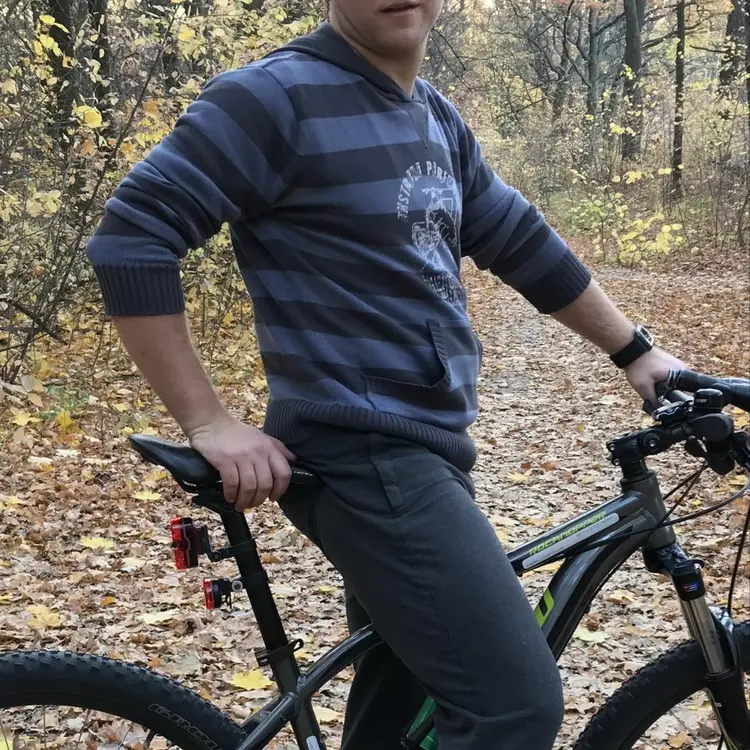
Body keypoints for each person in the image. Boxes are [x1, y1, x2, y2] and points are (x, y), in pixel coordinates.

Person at [85, 1, 686, 747]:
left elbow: (517, 238)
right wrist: (208, 420)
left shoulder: (433, 115)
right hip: (365, 454)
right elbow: (132, 237)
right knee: (512, 706)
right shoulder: (275, 97)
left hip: (425, 452)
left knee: (403, 710)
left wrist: (636, 352)